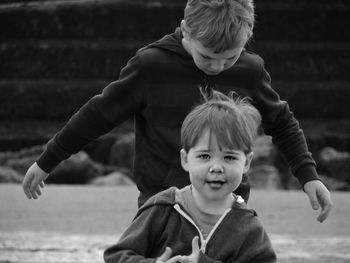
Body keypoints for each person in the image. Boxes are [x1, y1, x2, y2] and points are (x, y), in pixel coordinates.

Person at [22, 0, 332, 222]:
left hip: (227, 204)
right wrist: (49, 160)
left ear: (246, 40)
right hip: (161, 203)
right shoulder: (151, 66)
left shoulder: (250, 70)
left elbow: (283, 123)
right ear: (185, 30)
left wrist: (308, 177)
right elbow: (97, 115)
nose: (218, 67)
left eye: (230, 58)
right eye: (208, 57)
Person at [104, 90, 276, 263]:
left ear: (247, 162)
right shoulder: (162, 208)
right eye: (204, 156)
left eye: (229, 157)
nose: (216, 168)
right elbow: (116, 257)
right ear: (185, 159)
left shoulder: (249, 228)